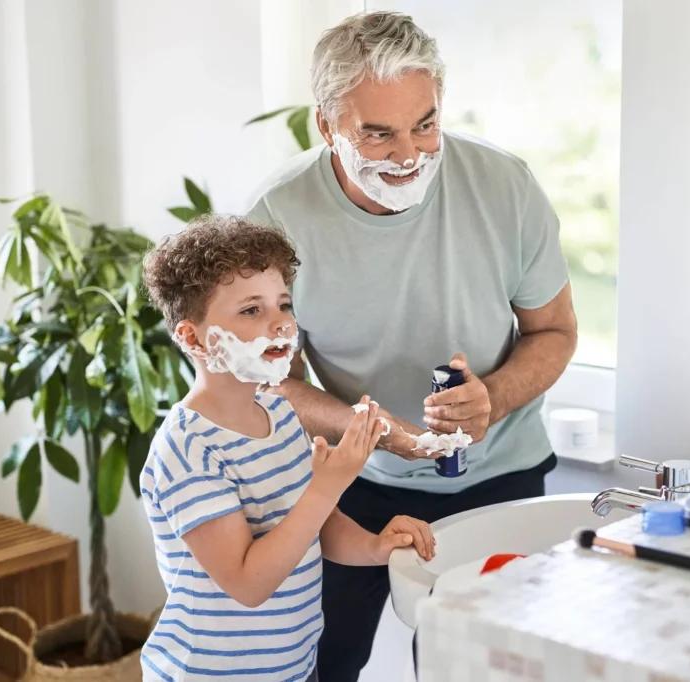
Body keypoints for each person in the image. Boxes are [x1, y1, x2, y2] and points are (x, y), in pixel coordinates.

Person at [245, 11, 580, 680]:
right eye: (378, 134)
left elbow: (555, 331)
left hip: (503, 476)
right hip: (356, 483)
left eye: (425, 124)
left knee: (490, 667)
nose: (409, 155)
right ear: (326, 125)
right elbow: (265, 378)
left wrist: (493, 398)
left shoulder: (504, 187)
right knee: (323, 664)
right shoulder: (274, 220)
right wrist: (371, 430)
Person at [139, 214, 436, 682]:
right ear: (193, 337)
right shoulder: (188, 449)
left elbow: (315, 525)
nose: (280, 325)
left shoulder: (278, 415)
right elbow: (248, 584)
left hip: (294, 666)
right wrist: (330, 482)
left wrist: (376, 548)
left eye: (284, 305)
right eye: (251, 311)